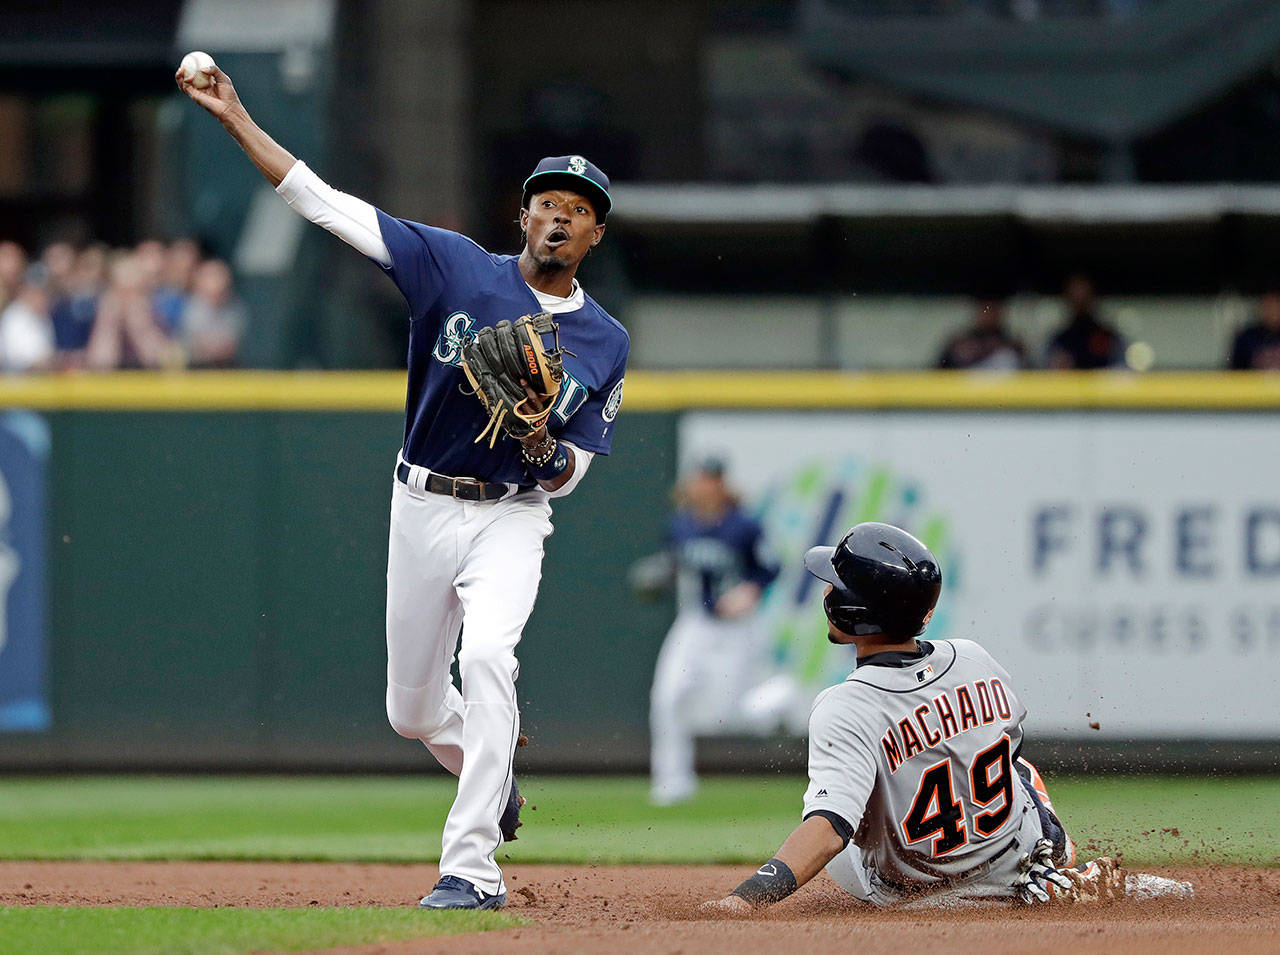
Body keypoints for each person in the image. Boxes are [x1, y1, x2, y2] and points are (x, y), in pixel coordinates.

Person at [178, 59, 628, 910]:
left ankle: (470, 867)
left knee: (491, 657)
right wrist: (235, 114)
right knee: (414, 714)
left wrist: (539, 442)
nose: (560, 218)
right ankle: (492, 782)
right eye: (549, 203)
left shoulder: (604, 339)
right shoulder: (453, 267)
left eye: (580, 211)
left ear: (594, 235)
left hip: (510, 514)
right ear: (523, 212)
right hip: (419, 501)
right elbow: (318, 199)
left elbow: (572, 475)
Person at [702, 522, 1192, 913]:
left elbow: (830, 827)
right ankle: (1044, 864)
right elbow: (1009, 745)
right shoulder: (974, 657)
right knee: (1013, 765)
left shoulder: (845, 706)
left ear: (850, 610)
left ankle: (1009, 880)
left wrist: (745, 898)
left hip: (918, 890)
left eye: (834, 585)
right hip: (1008, 845)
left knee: (845, 807)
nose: (826, 591)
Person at [636, 459, 779, 805]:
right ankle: (672, 783)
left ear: (720, 484)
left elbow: (769, 567)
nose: (701, 486)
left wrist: (749, 591)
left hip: (735, 629)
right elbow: (674, 564)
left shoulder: (744, 526)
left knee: (724, 714)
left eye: (708, 480)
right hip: (695, 622)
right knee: (667, 698)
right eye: (698, 479)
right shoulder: (681, 525)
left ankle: (778, 699)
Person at [1044, 274, 1126, 370]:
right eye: (1075, 293)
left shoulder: (1109, 338)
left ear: (1093, 295)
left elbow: (1122, 370)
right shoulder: (1059, 341)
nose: (1080, 297)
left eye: (1084, 292)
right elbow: (1046, 372)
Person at [935, 298, 1025, 370]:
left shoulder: (1011, 343)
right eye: (985, 309)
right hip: (966, 389)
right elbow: (939, 369)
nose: (989, 315)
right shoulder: (962, 341)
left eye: (993, 310)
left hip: (1003, 389)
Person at [1227, 289, 1280, 370]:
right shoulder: (1246, 337)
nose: (1272, 310)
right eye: (1268, 305)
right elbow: (1234, 372)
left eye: (1276, 305)